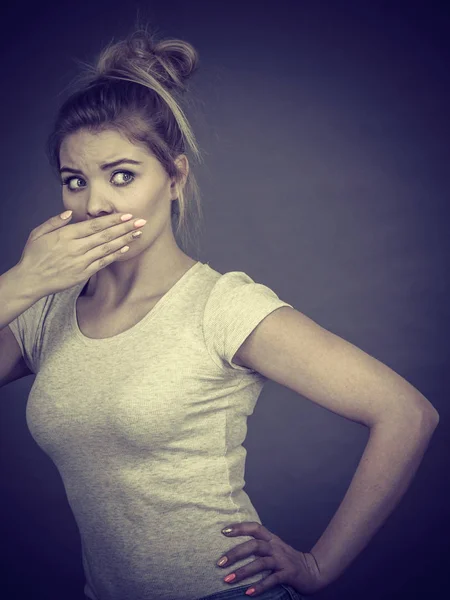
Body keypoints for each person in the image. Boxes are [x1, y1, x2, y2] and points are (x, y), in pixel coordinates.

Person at [0, 18, 439, 600]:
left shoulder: (219, 305)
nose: (94, 204)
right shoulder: (44, 308)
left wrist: (316, 566)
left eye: (122, 176)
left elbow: (406, 413)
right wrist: (21, 282)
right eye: (74, 181)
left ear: (175, 177)